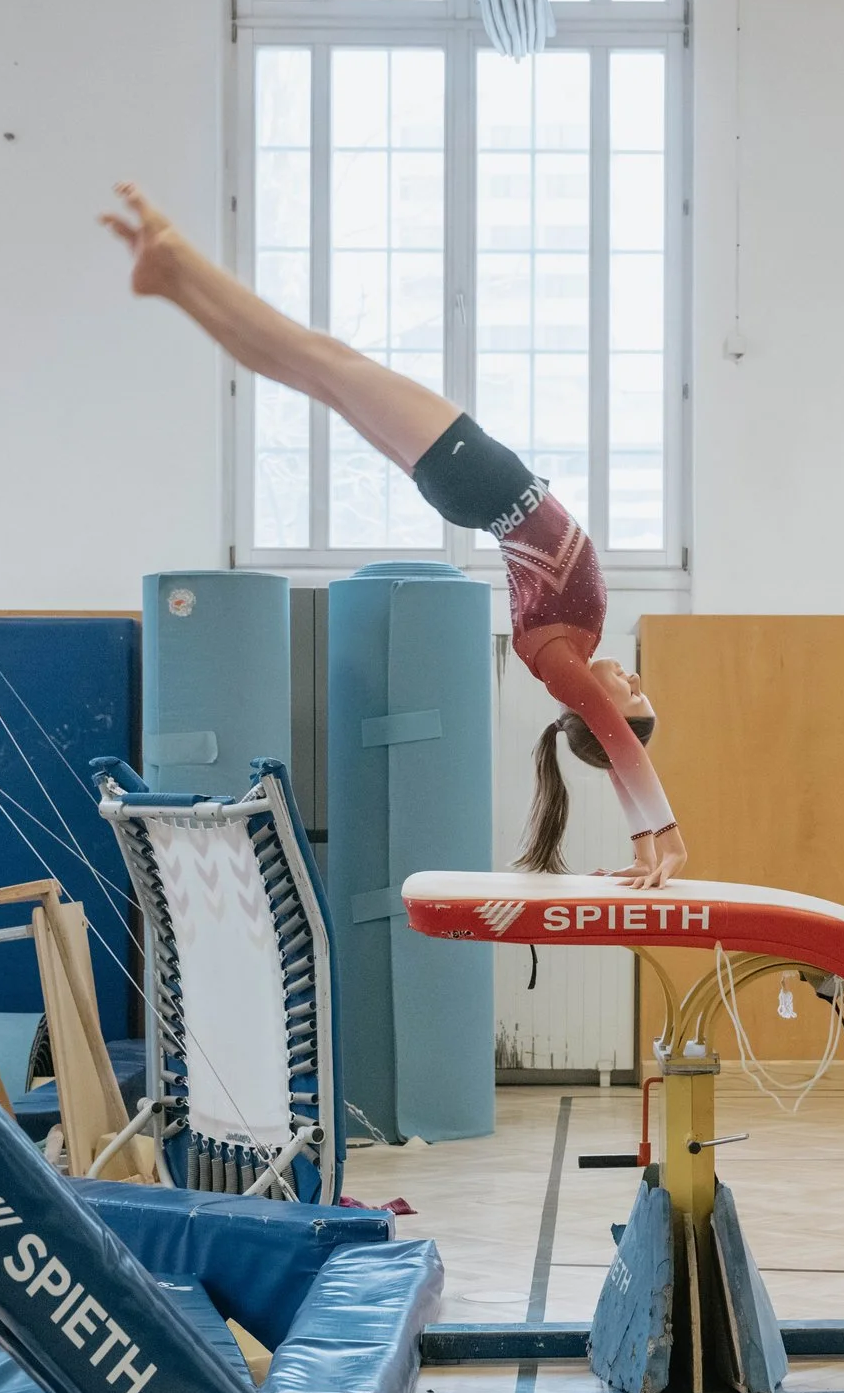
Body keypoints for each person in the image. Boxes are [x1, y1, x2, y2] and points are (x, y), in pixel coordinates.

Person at [100, 183, 688, 889]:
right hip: (472, 488)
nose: (634, 681)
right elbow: (619, 753)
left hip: (481, 479)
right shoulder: (574, 652)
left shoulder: (561, 663)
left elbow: (624, 752)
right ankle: (169, 278)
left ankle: (177, 263)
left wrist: (670, 842)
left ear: (597, 716)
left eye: (633, 696)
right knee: (314, 369)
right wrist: (647, 848)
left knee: (317, 358)